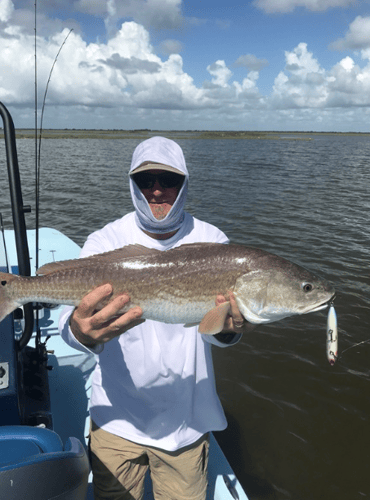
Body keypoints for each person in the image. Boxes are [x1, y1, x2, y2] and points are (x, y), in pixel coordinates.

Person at [59, 136, 249, 500]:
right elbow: (71, 327)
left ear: (184, 183)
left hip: (186, 424)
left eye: (168, 179)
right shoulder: (104, 242)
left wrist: (230, 330)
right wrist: (80, 333)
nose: (157, 191)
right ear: (133, 184)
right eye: (146, 181)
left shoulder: (214, 242)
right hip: (115, 419)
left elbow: (216, 332)